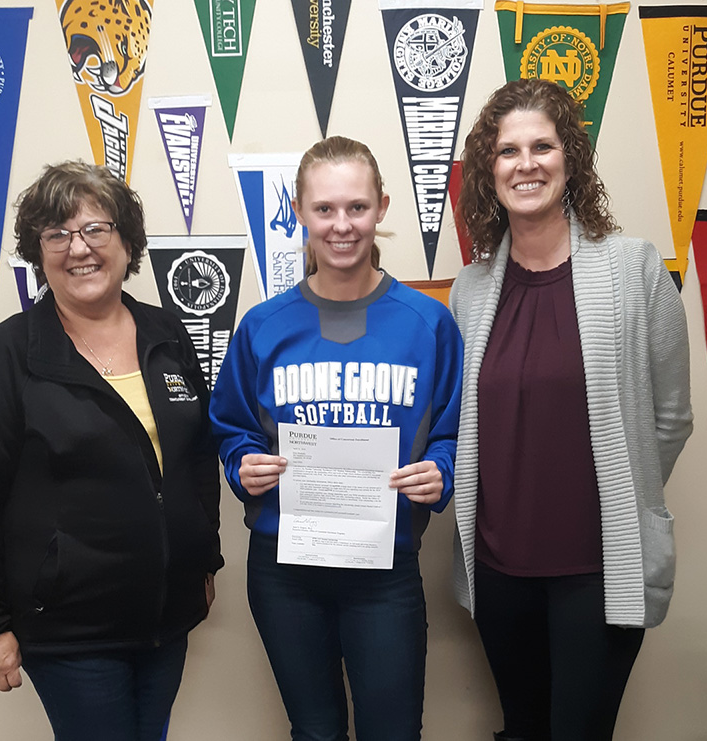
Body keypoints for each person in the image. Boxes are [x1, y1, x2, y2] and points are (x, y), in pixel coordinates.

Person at [450, 78, 693, 741]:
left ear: (570, 158)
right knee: (523, 728)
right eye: (507, 151)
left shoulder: (635, 267)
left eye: (542, 145)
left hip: (599, 567)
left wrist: (626, 491)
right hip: (500, 569)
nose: (525, 163)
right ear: (487, 170)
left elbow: (671, 417)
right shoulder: (470, 290)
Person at [0, 161, 223, 741]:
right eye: (57, 233)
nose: (78, 248)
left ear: (127, 243)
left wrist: (206, 555)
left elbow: (198, 456)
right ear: (39, 251)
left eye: (96, 229)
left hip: (165, 618)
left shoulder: (166, 335)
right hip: (70, 630)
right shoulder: (7, 357)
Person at [209, 136, 462, 741]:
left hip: (384, 566)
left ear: (383, 207)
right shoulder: (263, 326)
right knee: (315, 732)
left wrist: (441, 472)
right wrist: (242, 464)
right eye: (324, 209)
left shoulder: (428, 323)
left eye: (357, 207)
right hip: (285, 570)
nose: (342, 225)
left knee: (393, 732)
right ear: (299, 211)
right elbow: (231, 426)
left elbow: (454, 430)